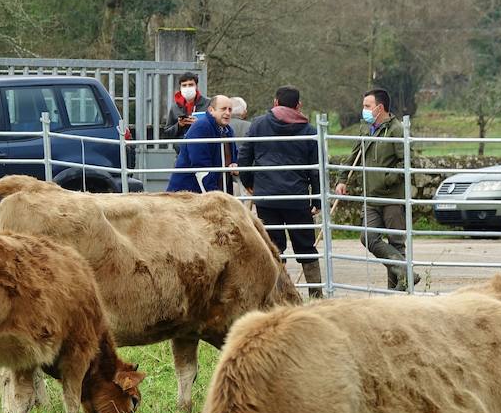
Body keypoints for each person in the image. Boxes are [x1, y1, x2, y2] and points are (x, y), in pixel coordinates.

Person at [238, 85, 323, 297]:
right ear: (299, 105)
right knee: (306, 246)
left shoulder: (258, 125)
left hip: (267, 197)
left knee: (274, 248)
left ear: (275, 102)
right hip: (297, 198)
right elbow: (315, 169)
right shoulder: (309, 131)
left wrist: (250, 185)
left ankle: (278, 295)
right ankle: (316, 294)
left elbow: (244, 158)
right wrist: (317, 198)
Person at [334, 88, 419, 291]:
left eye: (367, 106)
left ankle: (396, 294)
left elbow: (408, 160)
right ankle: (406, 274)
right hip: (371, 197)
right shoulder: (366, 129)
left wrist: (388, 178)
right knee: (368, 238)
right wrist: (342, 178)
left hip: (392, 199)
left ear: (379, 108)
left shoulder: (397, 130)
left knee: (396, 244)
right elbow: (353, 155)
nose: (363, 110)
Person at [168, 95, 235, 193]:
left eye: (230, 109)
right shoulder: (201, 128)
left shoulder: (228, 130)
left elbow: (233, 156)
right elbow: (200, 166)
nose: (227, 113)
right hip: (188, 195)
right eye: (223, 109)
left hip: (212, 191)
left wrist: (235, 164)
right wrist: (214, 195)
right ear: (211, 110)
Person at [163, 72, 207, 140]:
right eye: (184, 85)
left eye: (191, 85)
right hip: (182, 147)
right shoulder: (175, 107)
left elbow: (216, 128)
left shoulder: (208, 104)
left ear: (196, 86)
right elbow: (167, 133)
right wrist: (179, 125)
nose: (187, 88)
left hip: (203, 145)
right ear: (180, 87)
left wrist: (199, 123)